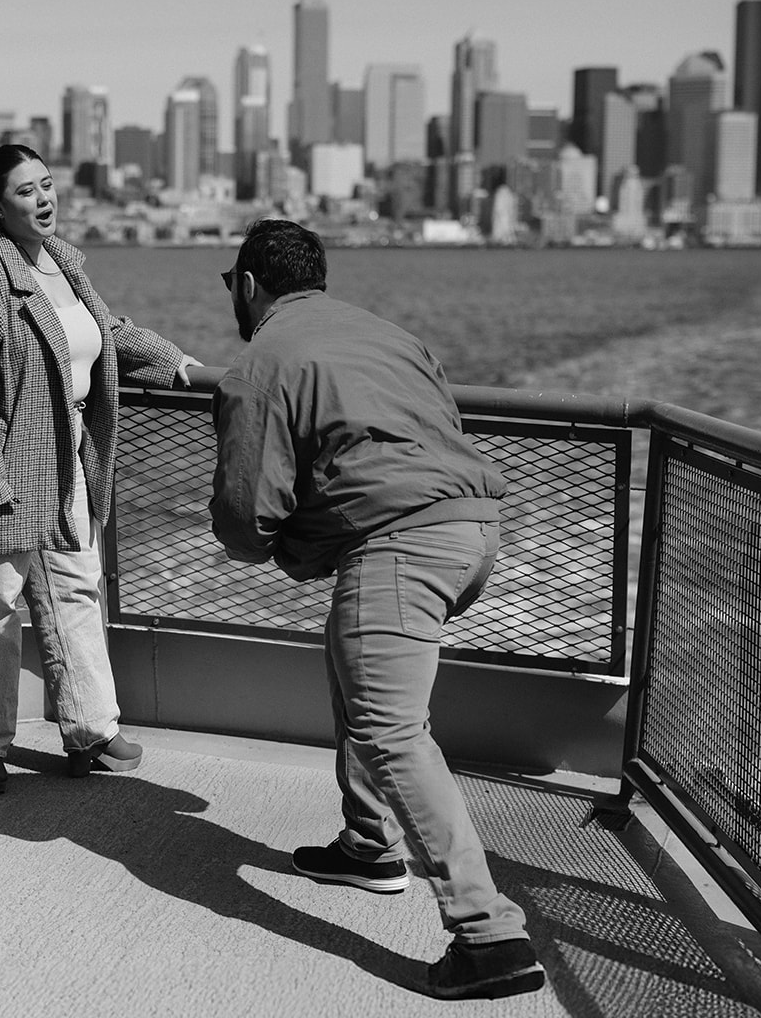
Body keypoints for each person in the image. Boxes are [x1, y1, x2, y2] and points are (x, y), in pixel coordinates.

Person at [207, 219, 545, 1001]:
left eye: (232, 286)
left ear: (249, 286)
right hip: (475, 534)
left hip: (401, 547)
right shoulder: (391, 335)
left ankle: (487, 933)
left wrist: (283, 546)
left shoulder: (264, 358)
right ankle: (369, 845)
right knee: (353, 659)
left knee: (392, 730)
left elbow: (245, 515)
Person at [0, 144, 199, 796]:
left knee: (76, 586)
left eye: (47, 185)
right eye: (25, 191)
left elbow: (100, 330)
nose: (44, 199)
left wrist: (172, 360)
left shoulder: (62, 260)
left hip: (66, 449)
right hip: (7, 460)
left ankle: (91, 731)